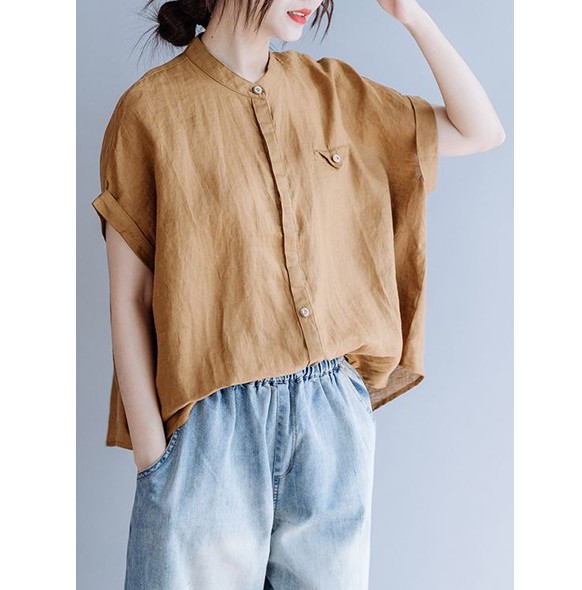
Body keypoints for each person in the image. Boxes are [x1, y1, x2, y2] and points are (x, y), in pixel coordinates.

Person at [90, 0, 505, 587]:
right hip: (211, 426)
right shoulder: (150, 110)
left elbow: (480, 129)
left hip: (329, 419)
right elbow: (130, 299)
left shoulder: (335, 94)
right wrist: (153, 456)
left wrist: (411, 15)